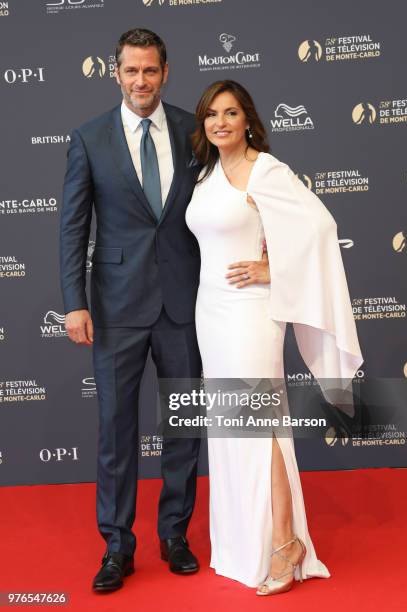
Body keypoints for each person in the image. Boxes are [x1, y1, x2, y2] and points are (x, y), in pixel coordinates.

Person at [186, 80, 363, 595]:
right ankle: (246, 544)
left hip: (250, 314)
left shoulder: (267, 170)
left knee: (258, 426)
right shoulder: (208, 173)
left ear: (248, 119)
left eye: (231, 113)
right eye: (212, 114)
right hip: (211, 313)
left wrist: (272, 268)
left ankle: (286, 543)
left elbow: (320, 229)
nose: (221, 122)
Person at [61, 28, 217, 592]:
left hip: (183, 303)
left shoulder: (192, 131)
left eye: (151, 71)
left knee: (182, 425)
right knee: (115, 431)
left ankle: (174, 534)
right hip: (116, 307)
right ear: (116, 73)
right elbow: (73, 227)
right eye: (131, 71)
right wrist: (73, 303)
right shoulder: (89, 138)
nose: (141, 81)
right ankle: (117, 546)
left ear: (165, 72)